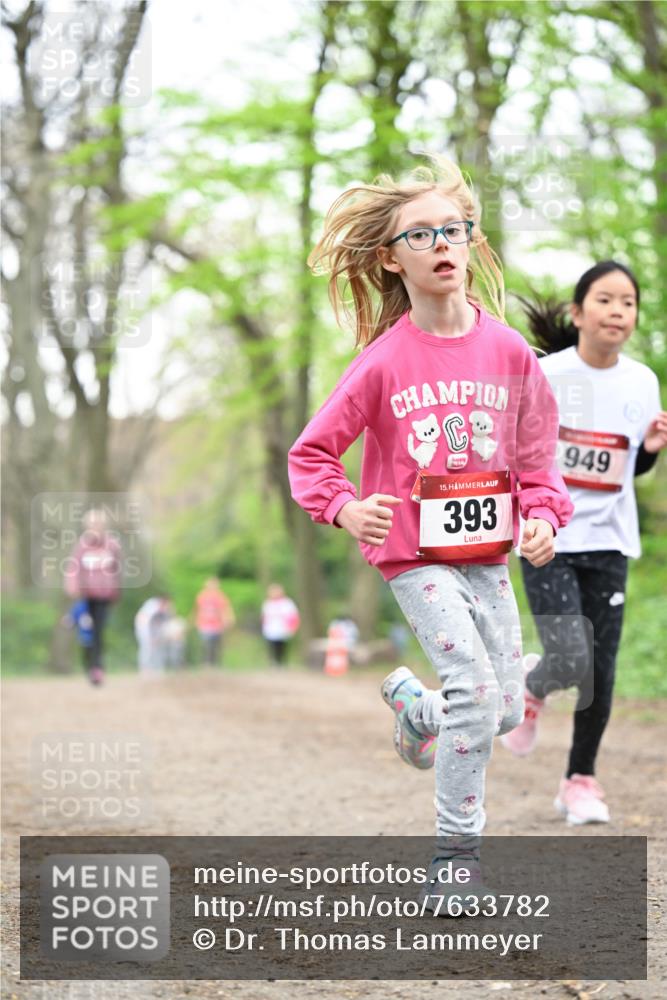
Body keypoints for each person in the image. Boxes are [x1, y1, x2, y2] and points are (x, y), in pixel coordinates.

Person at [288, 155, 573, 902]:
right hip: (412, 555)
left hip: (483, 553)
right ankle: (454, 863)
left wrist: (540, 517)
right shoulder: (383, 361)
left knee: (504, 706)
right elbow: (311, 453)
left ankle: (418, 710)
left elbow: (539, 458)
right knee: (477, 693)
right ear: (390, 258)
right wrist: (346, 507)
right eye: (422, 235)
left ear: (473, 243)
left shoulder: (510, 352)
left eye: (454, 229)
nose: (442, 243)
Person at [501, 261, 666, 824]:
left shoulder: (643, 381)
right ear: (577, 313)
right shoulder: (547, 375)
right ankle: (532, 685)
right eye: (604, 299)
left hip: (611, 540)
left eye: (628, 302)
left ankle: (579, 781)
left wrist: (649, 449)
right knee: (572, 655)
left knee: (602, 667)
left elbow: (628, 471)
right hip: (549, 533)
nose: (618, 310)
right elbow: (519, 454)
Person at [63, 508, 122, 685]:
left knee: (99, 631)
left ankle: (98, 667)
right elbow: (73, 568)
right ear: (87, 525)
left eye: (99, 524)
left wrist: (116, 589)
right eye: (93, 523)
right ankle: (89, 665)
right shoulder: (82, 546)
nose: (96, 526)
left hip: (104, 594)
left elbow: (117, 569)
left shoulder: (112, 545)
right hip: (86, 594)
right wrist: (74, 587)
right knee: (86, 632)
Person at [194, 578, 235, 667]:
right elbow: (197, 609)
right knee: (205, 645)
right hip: (204, 624)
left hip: (217, 625)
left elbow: (225, 609)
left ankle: (215, 663)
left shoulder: (220, 596)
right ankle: (205, 663)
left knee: (216, 645)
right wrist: (196, 621)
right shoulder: (202, 596)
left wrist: (228, 619)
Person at [261, 584, 300, 666]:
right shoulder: (268, 603)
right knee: (271, 645)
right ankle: (273, 662)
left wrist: (293, 627)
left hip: (283, 629)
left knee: (282, 646)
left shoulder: (287, 603)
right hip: (271, 629)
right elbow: (264, 617)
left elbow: (293, 616)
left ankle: (281, 662)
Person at [134, 594, 173, 676]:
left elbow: (162, 625)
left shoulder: (165, 610)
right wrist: (152, 638)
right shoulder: (151, 607)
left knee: (158, 648)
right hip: (144, 628)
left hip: (154, 630)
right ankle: (145, 669)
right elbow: (148, 624)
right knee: (146, 648)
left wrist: (157, 637)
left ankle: (157, 668)